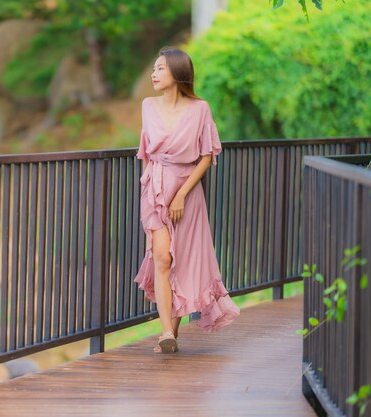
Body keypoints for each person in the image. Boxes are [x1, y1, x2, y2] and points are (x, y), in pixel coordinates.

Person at [134, 47, 240, 354]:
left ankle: (172, 334)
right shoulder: (148, 106)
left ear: (178, 73)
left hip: (187, 193)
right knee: (163, 258)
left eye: (160, 69)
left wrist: (181, 194)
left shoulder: (200, 109)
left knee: (183, 262)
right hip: (154, 189)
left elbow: (206, 156)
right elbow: (145, 151)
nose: (153, 74)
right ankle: (166, 330)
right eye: (153, 69)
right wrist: (148, 186)